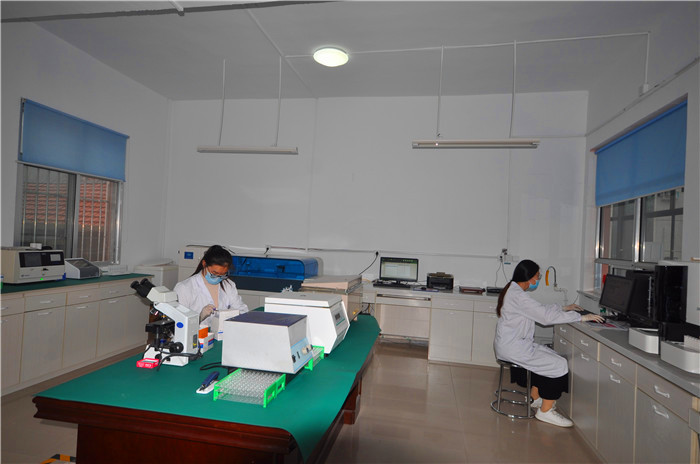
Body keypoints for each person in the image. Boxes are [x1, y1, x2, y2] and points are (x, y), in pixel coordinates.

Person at [493, 259, 603, 427]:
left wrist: (563, 308)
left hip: (514, 345)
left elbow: (538, 309)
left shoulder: (515, 291)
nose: (538, 279)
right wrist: (580, 317)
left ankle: (535, 398)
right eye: (537, 276)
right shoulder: (518, 296)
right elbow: (545, 317)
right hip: (514, 348)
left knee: (551, 355)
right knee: (559, 364)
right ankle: (545, 411)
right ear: (529, 277)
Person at [174, 245, 248, 323]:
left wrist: (230, 314)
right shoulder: (184, 288)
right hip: (197, 331)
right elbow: (178, 322)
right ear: (204, 264)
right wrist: (200, 318)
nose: (218, 277)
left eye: (222, 274)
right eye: (214, 273)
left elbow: (242, 310)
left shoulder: (228, 285)